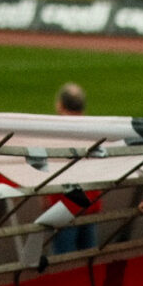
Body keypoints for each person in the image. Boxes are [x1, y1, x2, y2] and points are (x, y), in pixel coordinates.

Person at [49, 82, 100, 255]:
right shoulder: (95, 129)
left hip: (64, 206)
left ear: (60, 104)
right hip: (90, 203)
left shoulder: (54, 130)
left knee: (65, 261)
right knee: (88, 259)